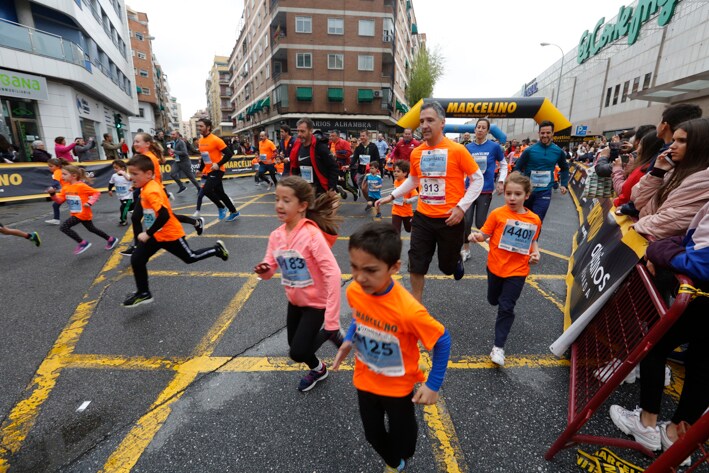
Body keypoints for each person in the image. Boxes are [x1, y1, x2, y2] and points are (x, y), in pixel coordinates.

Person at [332, 222, 451, 473]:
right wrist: (349, 339)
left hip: (398, 387)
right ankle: (396, 463)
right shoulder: (355, 290)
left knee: (405, 444)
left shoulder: (408, 310)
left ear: (394, 268)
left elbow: (442, 340)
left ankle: (402, 455)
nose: (359, 277)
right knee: (373, 435)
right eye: (354, 267)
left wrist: (433, 384)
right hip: (365, 380)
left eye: (371, 270)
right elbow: (358, 316)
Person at [609, 202, 709, 464]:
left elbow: (699, 261)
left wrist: (658, 250)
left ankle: (646, 422)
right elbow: (688, 238)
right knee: (702, 367)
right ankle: (675, 435)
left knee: (655, 346)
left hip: (701, 298)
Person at [376, 101, 484, 301]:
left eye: (430, 120)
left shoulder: (458, 150)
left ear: (442, 123)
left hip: (450, 219)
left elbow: (478, 179)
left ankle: (455, 261)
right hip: (423, 217)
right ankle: (415, 308)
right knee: (416, 263)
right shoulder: (417, 153)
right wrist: (392, 196)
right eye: (421, 121)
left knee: (447, 267)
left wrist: (461, 208)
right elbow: (414, 180)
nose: (424, 125)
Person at [254, 176, 342, 391]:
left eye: (286, 200)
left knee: (298, 352)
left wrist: (331, 319)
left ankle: (331, 333)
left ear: (302, 206)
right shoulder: (276, 235)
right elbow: (270, 267)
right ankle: (319, 369)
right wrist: (264, 269)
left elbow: (333, 273)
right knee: (295, 345)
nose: (279, 205)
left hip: (316, 303)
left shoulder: (312, 235)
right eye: (277, 199)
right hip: (294, 301)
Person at [122, 154, 229, 307]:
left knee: (190, 257)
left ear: (148, 174)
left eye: (134, 174)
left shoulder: (151, 191)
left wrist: (147, 233)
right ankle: (143, 293)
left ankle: (217, 250)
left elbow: (164, 215)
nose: (131, 177)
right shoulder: (147, 186)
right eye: (130, 173)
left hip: (169, 234)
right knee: (137, 259)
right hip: (157, 234)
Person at [469, 173, 541, 366]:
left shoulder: (534, 219)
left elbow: (533, 240)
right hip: (495, 267)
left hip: (517, 271)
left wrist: (536, 253)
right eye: (509, 193)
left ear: (527, 196)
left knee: (506, 307)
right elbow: (484, 235)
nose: (512, 197)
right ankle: (496, 299)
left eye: (517, 194)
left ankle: (498, 347)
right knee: (493, 300)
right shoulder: (497, 214)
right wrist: (476, 237)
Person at [122, 133, 204, 257]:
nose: (135, 144)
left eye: (138, 141)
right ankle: (196, 222)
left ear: (147, 144)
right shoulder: (142, 157)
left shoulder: (149, 158)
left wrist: (137, 184)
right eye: (134, 142)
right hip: (147, 191)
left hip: (154, 192)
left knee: (153, 217)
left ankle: (137, 246)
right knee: (162, 216)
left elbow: (153, 178)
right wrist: (135, 185)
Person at [631, 118, 709, 240]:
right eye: (673, 140)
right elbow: (638, 202)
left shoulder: (704, 182)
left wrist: (638, 224)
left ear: (701, 144)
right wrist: (657, 173)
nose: (672, 146)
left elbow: (664, 225)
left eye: (682, 141)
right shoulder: (672, 171)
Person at [460, 118, 508, 262]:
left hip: (486, 190)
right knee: (466, 222)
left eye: (483, 127)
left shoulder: (494, 147)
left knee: (481, 223)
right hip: (469, 189)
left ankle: (495, 248)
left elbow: (504, 164)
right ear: (475, 130)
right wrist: (461, 184)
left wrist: (500, 181)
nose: (480, 130)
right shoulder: (468, 148)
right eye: (478, 127)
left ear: (487, 131)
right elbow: (462, 169)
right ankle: (466, 250)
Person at [47, 165, 117, 255]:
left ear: (74, 176)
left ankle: (82, 243)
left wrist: (90, 202)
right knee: (92, 229)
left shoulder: (81, 186)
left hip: (83, 212)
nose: (62, 176)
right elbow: (59, 200)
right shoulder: (65, 187)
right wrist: (52, 194)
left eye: (64, 174)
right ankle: (111, 239)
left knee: (64, 227)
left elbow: (96, 192)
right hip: (75, 212)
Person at [512, 120, 569, 222]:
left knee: (537, 220)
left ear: (552, 134)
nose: (545, 135)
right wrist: (517, 181)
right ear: (539, 133)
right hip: (527, 191)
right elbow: (518, 168)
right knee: (522, 220)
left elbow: (564, 168)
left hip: (544, 192)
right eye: (542, 133)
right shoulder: (529, 150)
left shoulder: (558, 152)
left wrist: (564, 184)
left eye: (548, 133)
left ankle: (535, 238)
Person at [194, 118, 240, 221]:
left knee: (206, 190)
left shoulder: (216, 140)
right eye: (198, 126)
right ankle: (234, 212)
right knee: (220, 193)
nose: (199, 128)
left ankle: (221, 207)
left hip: (218, 170)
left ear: (208, 127)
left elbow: (229, 154)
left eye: (201, 126)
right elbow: (203, 157)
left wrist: (218, 164)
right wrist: (200, 169)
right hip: (209, 170)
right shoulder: (200, 141)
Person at [612, 130, 663, 209]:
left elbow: (623, 193)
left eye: (639, 145)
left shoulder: (642, 170)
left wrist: (617, 168)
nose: (636, 150)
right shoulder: (646, 166)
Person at [289, 118, 339, 195]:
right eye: (298, 131)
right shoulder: (298, 146)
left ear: (310, 131)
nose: (299, 134)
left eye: (302, 131)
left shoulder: (320, 147)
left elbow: (333, 167)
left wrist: (331, 188)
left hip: (321, 191)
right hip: (306, 190)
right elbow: (296, 168)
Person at [390, 161, 418, 235]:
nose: (395, 173)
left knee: (409, 229)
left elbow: (415, 197)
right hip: (396, 211)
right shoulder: (396, 181)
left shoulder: (408, 183)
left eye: (398, 171)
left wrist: (407, 200)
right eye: (394, 171)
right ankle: (396, 246)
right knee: (395, 232)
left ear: (405, 173)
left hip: (406, 212)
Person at [329, 130, 356, 200]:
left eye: (333, 136)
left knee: (345, 185)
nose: (331, 137)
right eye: (330, 136)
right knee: (333, 182)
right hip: (333, 167)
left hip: (343, 167)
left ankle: (355, 191)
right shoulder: (330, 143)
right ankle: (342, 193)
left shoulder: (344, 142)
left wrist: (337, 154)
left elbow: (349, 152)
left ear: (338, 136)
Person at [107, 159, 134, 226]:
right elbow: (111, 183)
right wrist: (110, 190)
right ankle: (135, 208)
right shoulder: (114, 176)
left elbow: (134, 181)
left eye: (116, 168)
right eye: (114, 168)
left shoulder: (128, 176)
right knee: (129, 207)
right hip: (120, 196)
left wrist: (133, 187)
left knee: (123, 208)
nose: (115, 169)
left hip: (128, 196)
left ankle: (123, 220)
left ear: (123, 168)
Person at [45, 158, 69, 225]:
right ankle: (56, 219)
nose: (49, 168)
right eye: (48, 166)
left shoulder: (57, 171)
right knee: (56, 205)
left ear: (57, 166)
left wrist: (52, 188)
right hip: (66, 190)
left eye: (51, 166)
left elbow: (56, 182)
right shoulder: (60, 170)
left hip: (67, 191)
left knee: (56, 205)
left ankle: (56, 219)